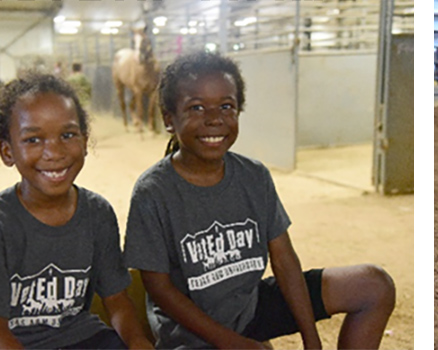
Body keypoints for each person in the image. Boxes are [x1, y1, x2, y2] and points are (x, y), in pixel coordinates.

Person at [123, 52, 396, 349]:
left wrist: (311, 338)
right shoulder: (154, 192)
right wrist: (236, 344)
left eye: (226, 106)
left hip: (249, 308)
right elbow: (160, 290)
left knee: (373, 284)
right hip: (192, 332)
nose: (214, 119)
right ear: (168, 119)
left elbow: (283, 259)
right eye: (196, 107)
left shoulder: (253, 175)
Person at [0, 73, 154, 349]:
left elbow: (117, 302)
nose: (54, 152)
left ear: (85, 140)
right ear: (7, 152)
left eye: (68, 135)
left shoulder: (97, 213)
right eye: (33, 140)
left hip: (76, 336)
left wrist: (138, 342)